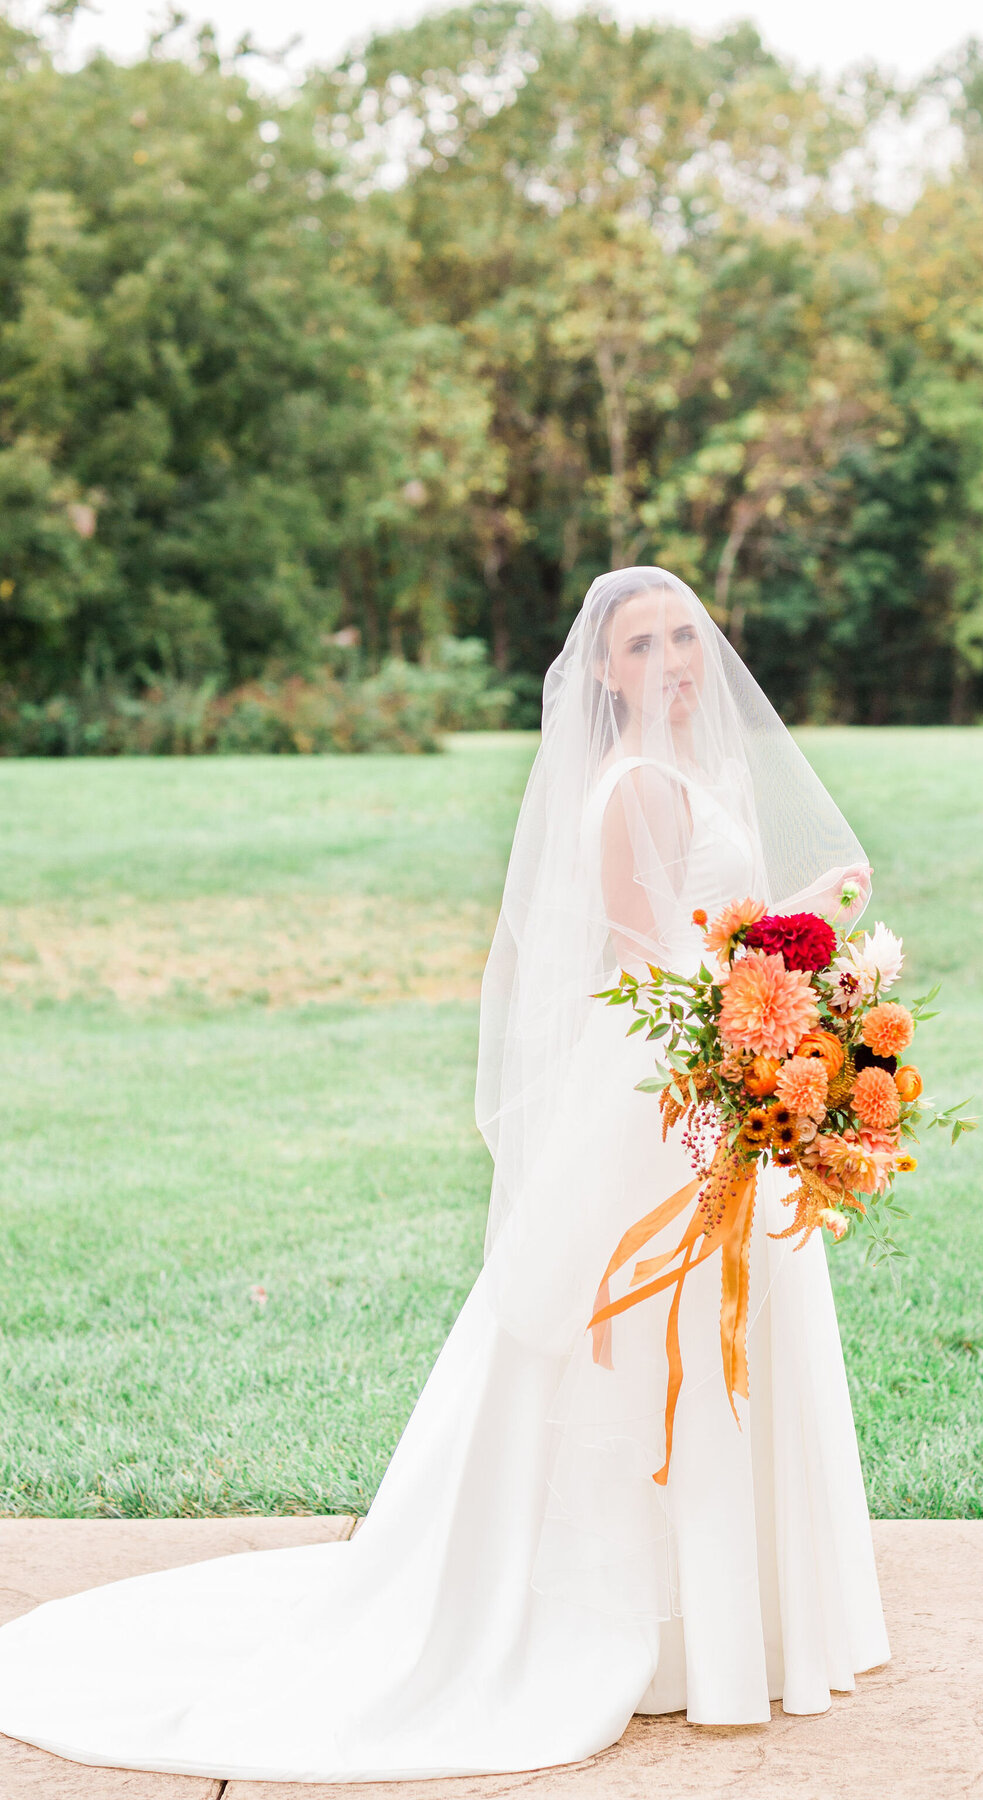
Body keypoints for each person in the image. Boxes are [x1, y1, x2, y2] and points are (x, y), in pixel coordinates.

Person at [0, 569, 889, 1783]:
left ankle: (745, 1615)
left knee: (725, 1331)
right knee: (638, 1344)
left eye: (686, 635)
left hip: (715, 1074)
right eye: (645, 646)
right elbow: (660, 964)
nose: (675, 661)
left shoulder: (696, 775)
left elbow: (713, 947)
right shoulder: (631, 790)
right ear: (608, 675)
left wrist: (795, 960)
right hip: (661, 1096)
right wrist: (801, 929)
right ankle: (652, 1626)